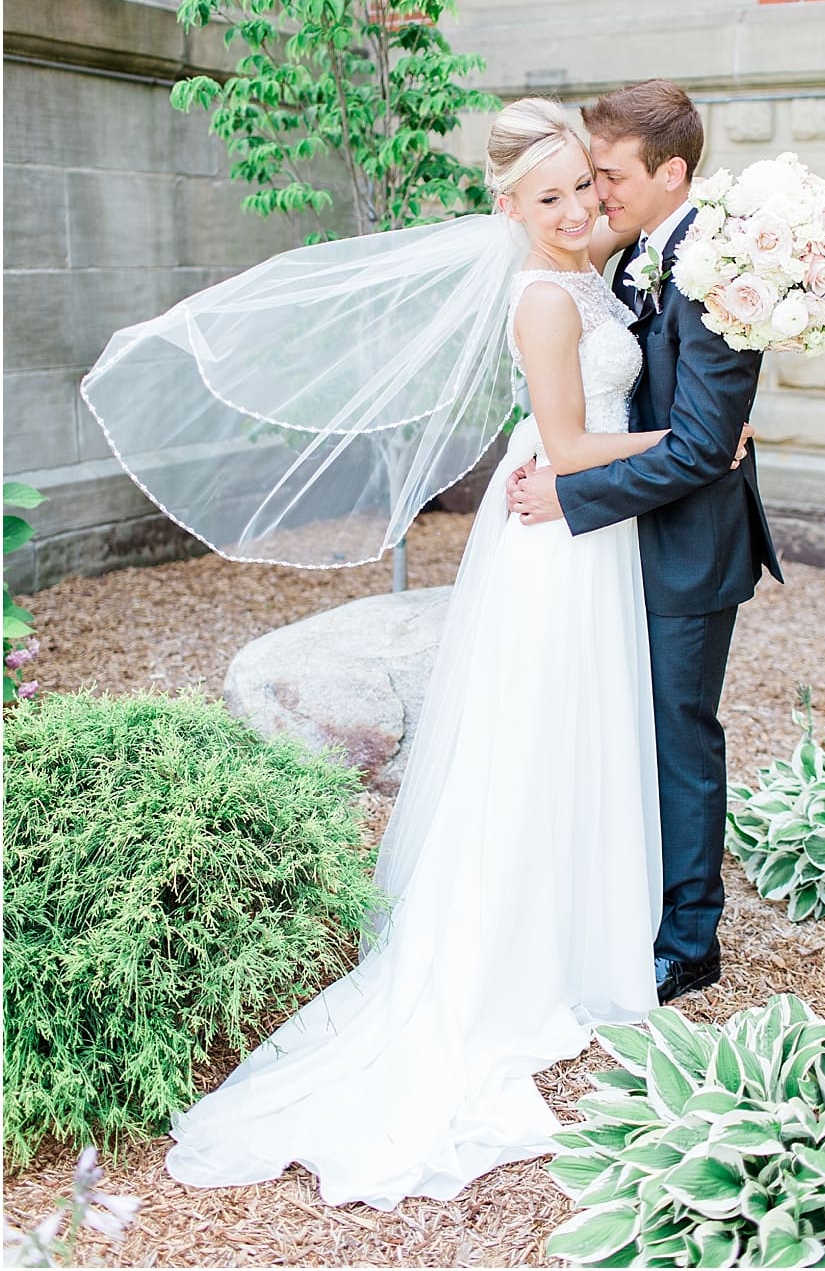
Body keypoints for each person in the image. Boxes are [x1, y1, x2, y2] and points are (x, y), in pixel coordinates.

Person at [115, 98, 751, 1209]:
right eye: (549, 194)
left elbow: (640, 251)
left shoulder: (599, 256)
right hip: (563, 526)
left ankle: (599, 912)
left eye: (585, 186)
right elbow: (564, 444)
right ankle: (520, 940)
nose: (577, 207)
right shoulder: (544, 296)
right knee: (541, 727)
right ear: (506, 206)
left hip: (592, 535)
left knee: (590, 729)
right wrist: (703, 441)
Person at [507, 79, 782, 1006]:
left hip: (687, 548)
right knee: (621, 731)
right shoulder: (626, 258)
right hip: (623, 539)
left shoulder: (719, 274)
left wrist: (571, 493)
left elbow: (706, 448)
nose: (594, 197)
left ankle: (688, 941)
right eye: (581, 180)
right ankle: (620, 907)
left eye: (607, 177)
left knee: (679, 740)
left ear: (670, 174)